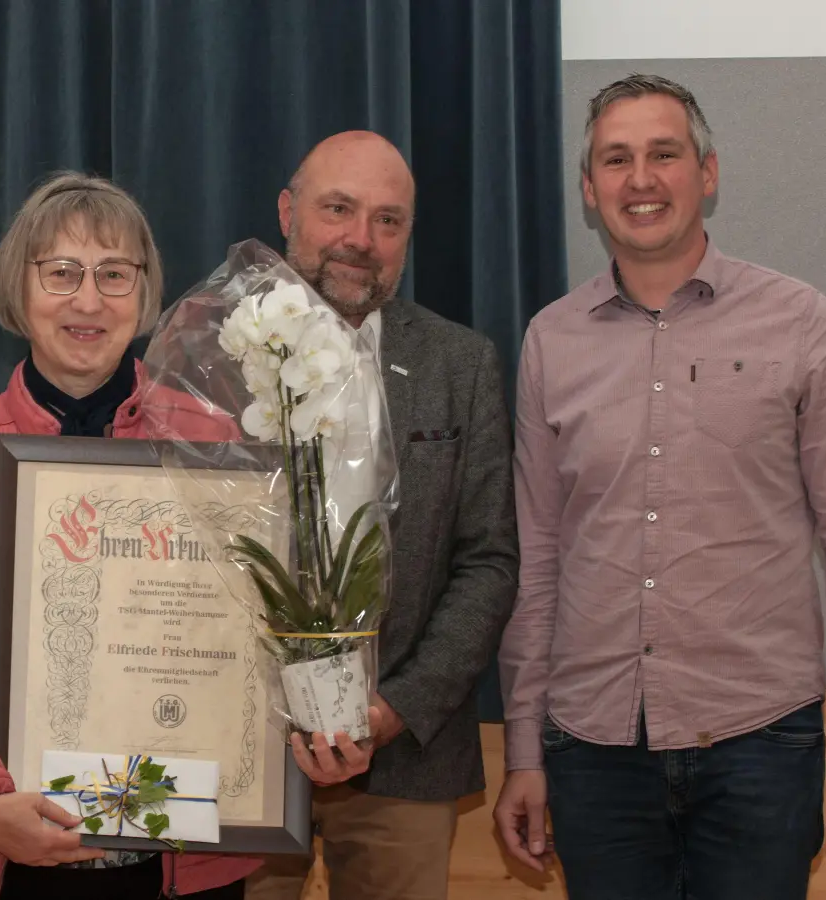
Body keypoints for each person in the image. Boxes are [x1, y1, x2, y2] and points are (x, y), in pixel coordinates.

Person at [494, 73, 826, 899]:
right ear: (588, 187)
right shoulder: (551, 340)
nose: (639, 179)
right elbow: (536, 558)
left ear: (707, 172)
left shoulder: (800, 322)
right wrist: (523, 749)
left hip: (760, 742)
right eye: (616, 159)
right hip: (593, 750)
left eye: (663, 154)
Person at [0, 171, 256, 900]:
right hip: (2, 854)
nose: (88, 300)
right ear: (19, 291)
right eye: (62, 273)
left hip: (180, 863)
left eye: (115, 274)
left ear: (145, 296)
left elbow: (252, 635)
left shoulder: (215, 445)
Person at [243, 131, 520, 900]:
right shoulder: (218, 350)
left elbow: (490, 559)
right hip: (244, 753)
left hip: (405, 759)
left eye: (388, 221)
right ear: (288, 211)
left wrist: (395, 708)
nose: (360, 240)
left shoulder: (459, 364)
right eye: (338, 209)